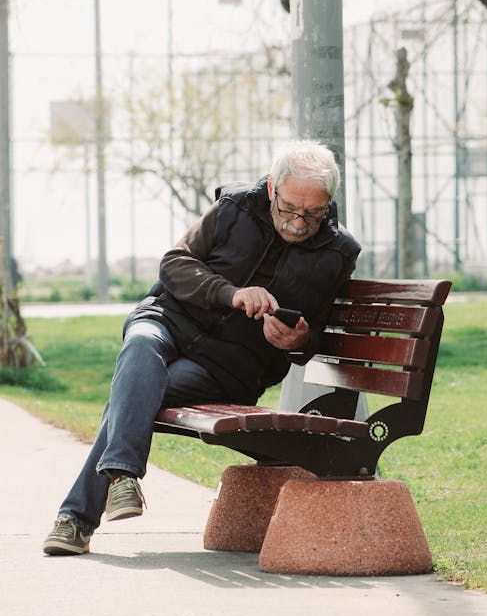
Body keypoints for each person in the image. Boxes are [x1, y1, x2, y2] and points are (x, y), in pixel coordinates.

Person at [43, 139, 361, 555]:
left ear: (328, 204)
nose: (299, 223)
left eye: (313, 214)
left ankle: (79, 516)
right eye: (289, 208)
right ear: (271, 189)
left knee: (135, 390)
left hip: (225, 369)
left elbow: (318, 331)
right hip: (165, 323)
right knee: (140, 348)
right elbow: (175, 263)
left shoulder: (338, 252)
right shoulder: (234, 208)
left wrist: (299, 340)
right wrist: (230, 293)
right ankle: (115, 482)